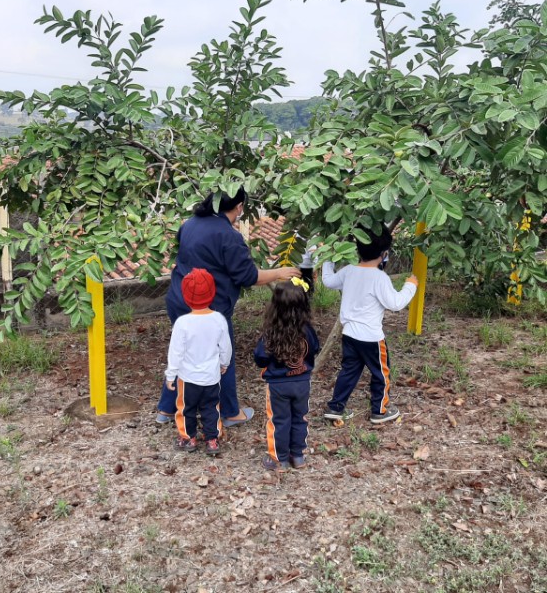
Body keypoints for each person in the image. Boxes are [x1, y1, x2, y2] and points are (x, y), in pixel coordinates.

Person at [156, 187, 301, 427]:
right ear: (239, 207)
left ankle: (167, 408)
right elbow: (248, 276)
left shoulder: (189, 224)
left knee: (183, 351)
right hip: (209, 308)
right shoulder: (229, 236)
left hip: (179, 299)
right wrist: (279, 272)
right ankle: (231, 412)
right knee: (223, 356)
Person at [321, 224, 418, 424]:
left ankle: (335, 407)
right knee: (381, 373)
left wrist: (328, 257)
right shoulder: (379, 278)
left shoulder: (349, 271)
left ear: (357, 249)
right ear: (384, 253)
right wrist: (411, 285)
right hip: (372, 338)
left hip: (349, 335)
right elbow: (396, 304)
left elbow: (328, 281)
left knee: (348, 371)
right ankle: (379, 411)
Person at [254, 277, 320, 471]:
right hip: (302, 382)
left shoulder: (271, 333)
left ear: (275, 307)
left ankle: (279, 459)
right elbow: (314, 348)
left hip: (278, 386)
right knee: (300, 417)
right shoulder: (308, 331)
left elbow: (260, 357)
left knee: (279, 420)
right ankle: (297, 456)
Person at [165, 268, 232, 456]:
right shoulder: (219, 319)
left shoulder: (183, 323)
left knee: (186, 408)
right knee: (211, 407)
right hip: (211, 376)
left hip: (187, 378)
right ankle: (212, 440)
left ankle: (188, 437)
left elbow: (176, 352)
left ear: (186, 296)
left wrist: (171, 374)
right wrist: (224, 363)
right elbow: (225, 346)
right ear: (212, 293)